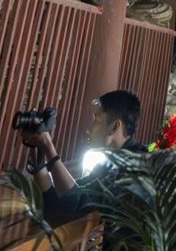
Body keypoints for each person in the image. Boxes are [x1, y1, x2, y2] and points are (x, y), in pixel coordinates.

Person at [20, 89, 146, 234]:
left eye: (96, 120)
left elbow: (76, 203)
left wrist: (49, 147)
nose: (91, 128)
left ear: (115, 126)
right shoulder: (111, 163)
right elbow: (60, 203)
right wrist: (37, 150)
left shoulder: (132, 167)